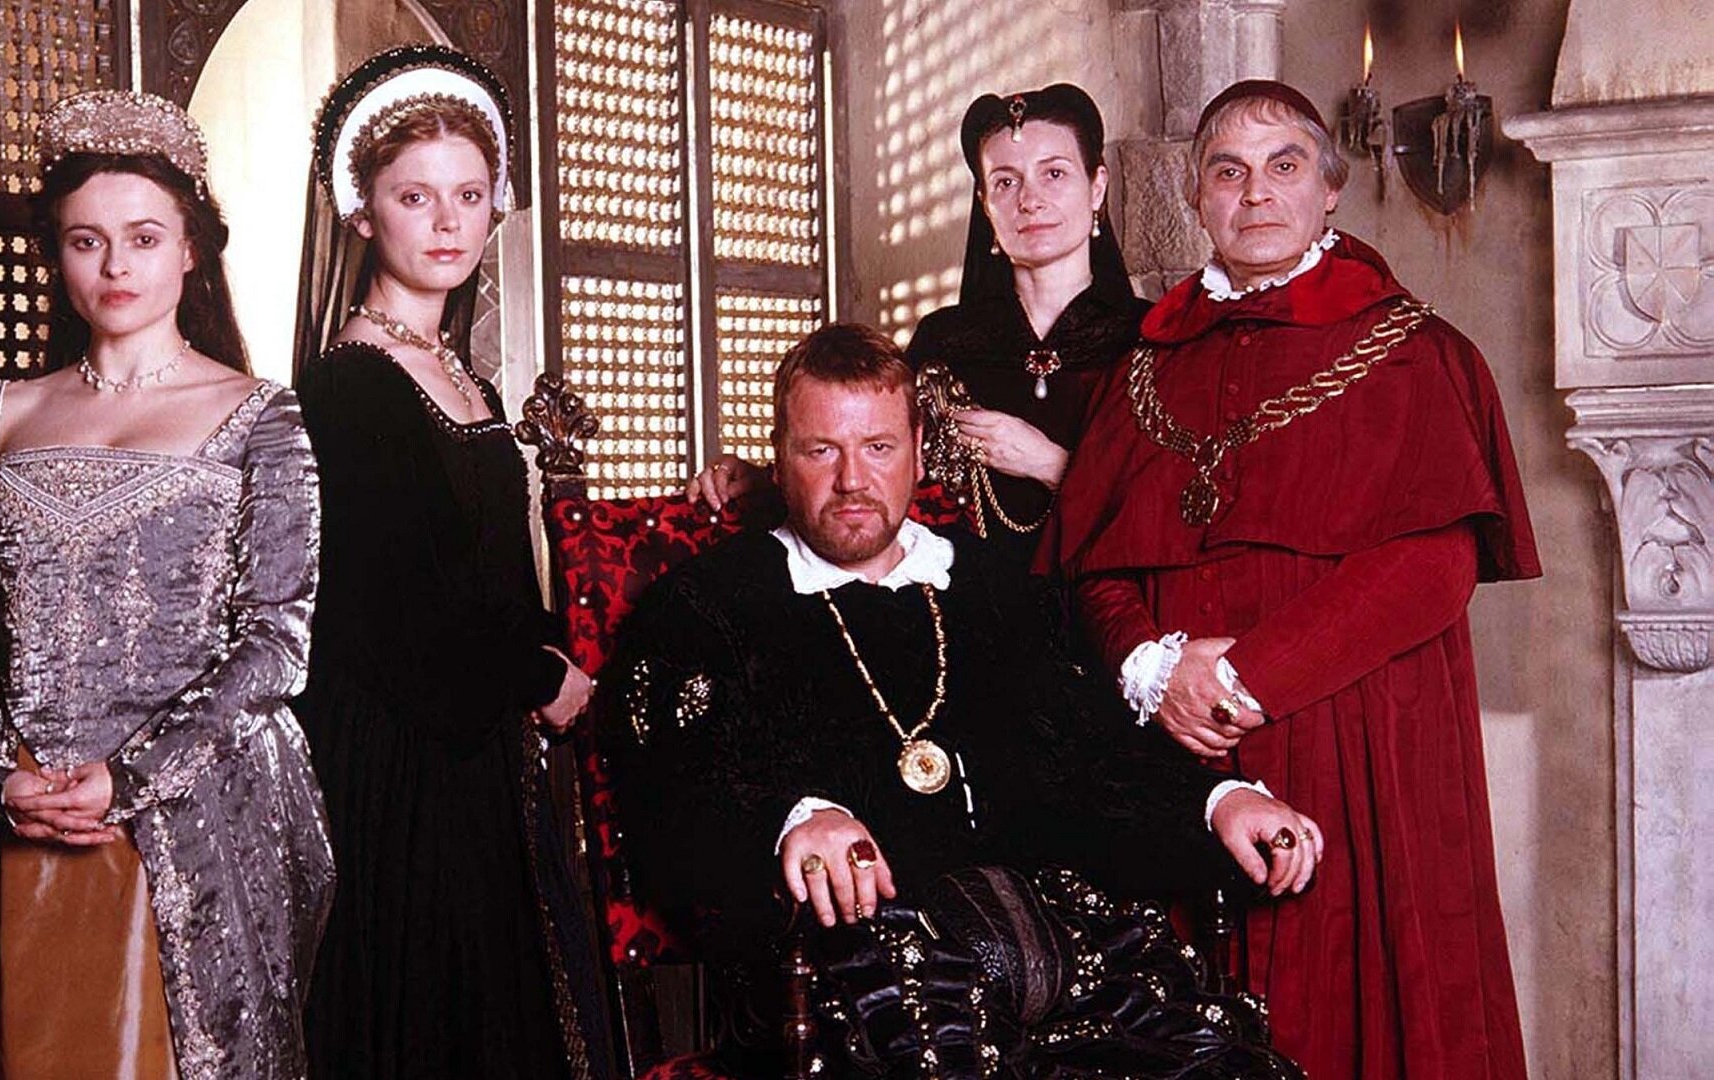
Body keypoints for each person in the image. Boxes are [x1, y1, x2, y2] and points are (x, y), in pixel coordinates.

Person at [604, 322, 1318, 1078]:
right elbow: (673, 792)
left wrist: (1216, 801)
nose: (852, 480)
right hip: (842, 966)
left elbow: (1094, 754)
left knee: (1226, 1063)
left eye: (878, 447)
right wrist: (794, 818)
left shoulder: (997, 586)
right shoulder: (708, 604)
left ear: (917, 449)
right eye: (821, 451)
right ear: (779, 457)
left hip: (1045, 943)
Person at [1041, 80, 1539, 1080]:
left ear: (1330, 190)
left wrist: (1243, 680)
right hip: (1181, 755)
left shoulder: (1419, 353)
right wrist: (1151, 667)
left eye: (1284, 166)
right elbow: (1093, 563)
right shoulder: (1141, 367)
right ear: (1197, 198)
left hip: (1359, 743)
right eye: (1227, 172)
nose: (1255, 193)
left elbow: (1431, 569)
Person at [0, 89, 333, 1079]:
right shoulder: (1, 416)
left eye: (143, 239)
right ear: (56, 254)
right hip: (29, 808)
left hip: (198, 814)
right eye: (87, 241)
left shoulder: (258, 416)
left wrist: (135, 778)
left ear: (190, 249)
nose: (116, 267)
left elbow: (275, 642)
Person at [292, 44, 612, 1080]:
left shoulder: (461, 377)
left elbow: (490, 578)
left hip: (480, 745)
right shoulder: (350, 385)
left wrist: (548, 661)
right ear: (362, 213)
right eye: (415, 197)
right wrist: (540, 676)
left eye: (468, 196)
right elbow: (390, 610)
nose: (446, 223)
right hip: (402, 762)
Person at [689, 85, 1146, 579]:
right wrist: (764, 480)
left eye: (1053, 174)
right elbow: (875, 466)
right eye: (1005, 182)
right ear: (984, 203)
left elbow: (1179, 514)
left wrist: (1051, 466)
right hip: (956, 599)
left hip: (1111, 599)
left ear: (1097, 186)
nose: (1030, 201)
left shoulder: (1151, 339)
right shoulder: (944, 340)